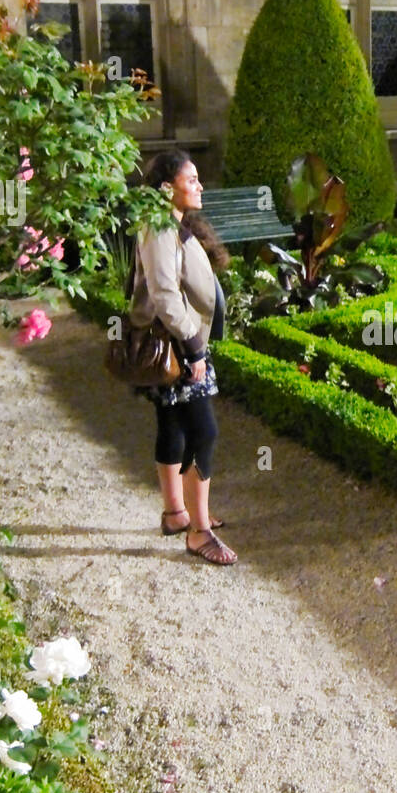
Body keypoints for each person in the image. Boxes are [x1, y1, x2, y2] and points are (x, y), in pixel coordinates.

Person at [131, 149, 237, 565]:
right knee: (204, 431)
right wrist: (194, 347)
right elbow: (164, 294)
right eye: (190, 179)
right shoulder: (159, 227)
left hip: (176, 341)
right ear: (166, 187)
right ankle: (199, 531)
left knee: (173, 425)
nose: (199, 185)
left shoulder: (170, 222)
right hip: (178, 344)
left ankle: (177, 512)